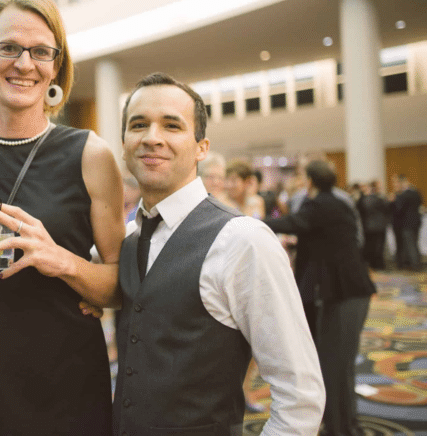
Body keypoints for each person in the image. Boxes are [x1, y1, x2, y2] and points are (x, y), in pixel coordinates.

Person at [0, 0, 124, 436]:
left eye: (41, 51)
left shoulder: (90, 154)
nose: (24, 63)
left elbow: (117, 288)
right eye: (9, 48)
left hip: (63, 377)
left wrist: (65, 262)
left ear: (55, 65)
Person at [114, 72, 324, 435]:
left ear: (201, 147)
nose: (152, 138)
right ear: (124, 143)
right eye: (138, 125)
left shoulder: (243, 240)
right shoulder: (129, 237)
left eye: (171, 125)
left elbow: (300, 394)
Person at [264, 160, 376, 436]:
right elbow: (322, 237)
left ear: (310, 181)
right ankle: (345, 425)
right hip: (352, 291)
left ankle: (340, 428)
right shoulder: (337, 202)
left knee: (333, 367)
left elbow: (292, 222)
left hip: (343, 295)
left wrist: (250, 221)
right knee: (341, 366)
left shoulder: (319, 205)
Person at [390, 174, 423, 270]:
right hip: (416, 222)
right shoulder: (416, 192)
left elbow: (399, 210)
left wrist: (393, 201)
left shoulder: (403, 195)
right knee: (414, 244)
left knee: (410, 245)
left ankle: (415, 266)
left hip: (406, 223)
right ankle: (416, 264)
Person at [356, 180, 389, 270]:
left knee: (371, 246)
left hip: (369, 226)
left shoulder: (364, 200)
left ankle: (373, 264)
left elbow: (360, 211)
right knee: (378, 246)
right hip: (380, 226)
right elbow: (387, 209)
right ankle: (378, 264)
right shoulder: (379, 199)